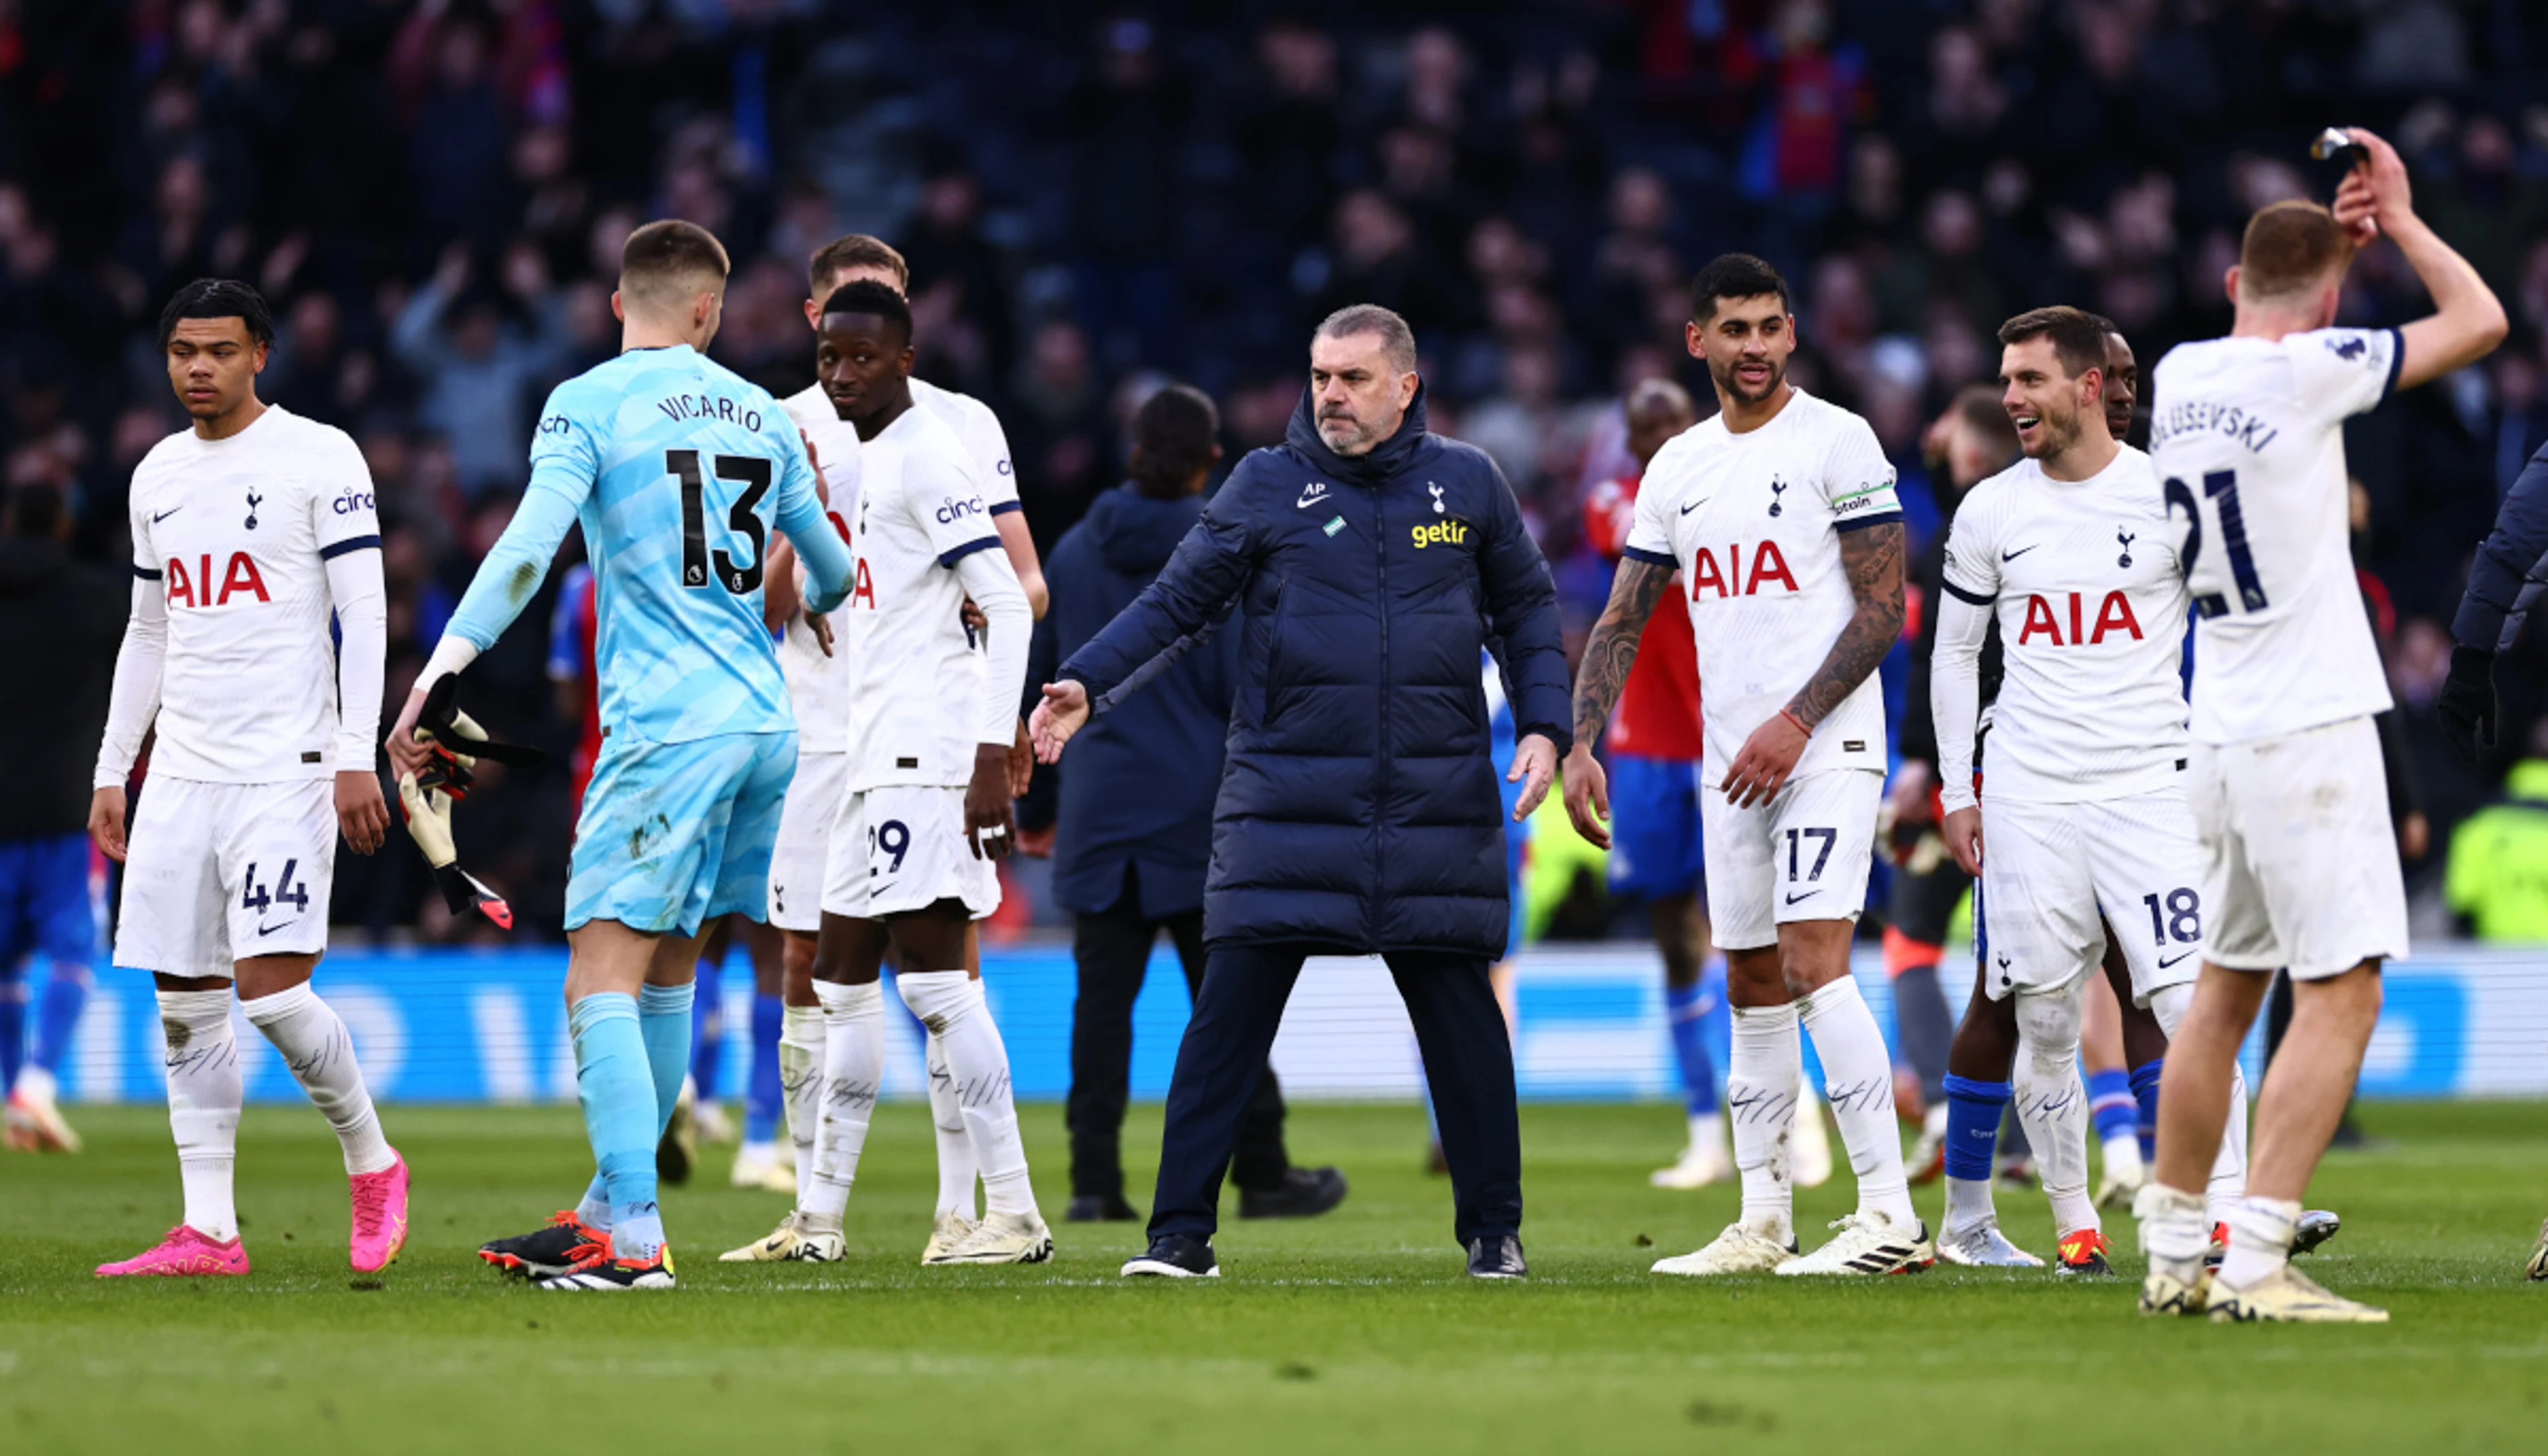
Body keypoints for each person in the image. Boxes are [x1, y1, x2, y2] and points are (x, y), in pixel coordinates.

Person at [1031, 303, 1570, 1281]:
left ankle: (1495, 1231)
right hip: (1281, 801)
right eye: (1321, 375)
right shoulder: (1265, 482)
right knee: (1224, 1025)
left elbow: (1528, 608)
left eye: (1353, 378)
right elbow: (1175, 602)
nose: (1330, 395)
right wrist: (1088, 682)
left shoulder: (1470, 481)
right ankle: (1178, 1236)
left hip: (1432, 803)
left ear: (1406, 387)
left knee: (1464, 1030)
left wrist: (1546, 724)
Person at [404, 220, 855, 1291]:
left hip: (665, 731)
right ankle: (612, 1203)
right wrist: (778, 597)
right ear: (709, 311)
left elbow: (525, 550)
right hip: (762, 729)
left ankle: (636, 1237)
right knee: (667, 967)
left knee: (596, 971)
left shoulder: (590, 403)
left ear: (619, 305)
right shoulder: (763, 410)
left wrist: (439, 675)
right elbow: (832, 574)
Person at [2141, 129, 2506, 1323]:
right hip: (2309, 722)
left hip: (2218, 724)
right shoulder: (2312, 369)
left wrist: (2323, 262)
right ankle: (2255, 1263)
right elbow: (2482, 322)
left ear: (2236, 284)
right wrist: (2396, 216)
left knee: (2223, 993)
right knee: (2341, 989)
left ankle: (2171, 1247)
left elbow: (2277, 323)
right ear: (2334, 301)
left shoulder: (2184, 375)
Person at [1565, 253, 1925, 1278]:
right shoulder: (1677, 465)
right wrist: (1587, 741)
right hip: (1729, 763)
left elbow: (1885, 605)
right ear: (1699, 341)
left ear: (1792, 331)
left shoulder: (1838, 438)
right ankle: (1764, 1217)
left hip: (1825, 747)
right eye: (1736, 328)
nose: (1757, 345)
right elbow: (1623, 613)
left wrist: (1798, 721)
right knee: (1752, 979)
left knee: (1815, 960)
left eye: (1771, 325)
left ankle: (1890, 1217)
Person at [88, 279, 409, 1277]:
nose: (198, 367)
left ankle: (372, 1159)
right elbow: (150, 628)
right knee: (185, 1000)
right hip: (182, 766)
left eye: (219, 350)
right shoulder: (156, 474)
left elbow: (367, 610)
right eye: (183, 349)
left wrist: (358, 751)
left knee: (271, 992)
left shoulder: (320, 455)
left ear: (260, 352)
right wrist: (114, 765)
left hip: (288, 764)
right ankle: (210, 1228)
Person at [739, 233, 1046, 1258]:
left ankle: (1010, 1210)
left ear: (905, 358)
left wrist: (991, 753)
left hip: (925, 755)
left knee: (937, 985)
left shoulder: (930, 456)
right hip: (864, 753)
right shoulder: (855, 459)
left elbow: (1008, 599)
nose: (840, 375)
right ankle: (820, 1218)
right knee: (835, 978)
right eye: (830, 359)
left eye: (862, 358)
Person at [1926, 305, 2235, 1275]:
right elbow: (1953, 656)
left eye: (2029, 380)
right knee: (2047, 1014)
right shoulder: (1990, 508)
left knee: (2189, 998)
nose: (2010, 396)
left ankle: (2217, 1212)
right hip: (2028, 789)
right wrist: (1955, 789)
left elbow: (2234, 628)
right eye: (2006, 378)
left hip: (2151, 781)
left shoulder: (2171, 494)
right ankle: (2074, 1224)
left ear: (2089, 385)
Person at [1030, 383, 1346, 1224]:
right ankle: (1264, 1170)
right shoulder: (1228, 546)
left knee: (1100, 1012)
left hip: (1099, 807)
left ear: (1131, 448)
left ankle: (1095, 1180)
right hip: (1204, 811)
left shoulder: (1072, 552)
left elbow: (1043, 682)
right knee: (1231, 1005)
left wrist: (1038, 809)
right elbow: (1257, 677)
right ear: (1212, 459)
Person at [1581, 377, 1738, 1191]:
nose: (1656, 435)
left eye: (1669, 421)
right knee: (1675, 936)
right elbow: (1636, 541)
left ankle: (1780, 1113)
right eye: (1643, 426)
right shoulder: (1617, 499)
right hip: (1645, 747)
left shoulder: (1739, 484)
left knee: (1750, 928)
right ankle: (1705, 1128)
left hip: (1727, 737)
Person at [1888, 383, 2019, 1183]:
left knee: (1910, 941)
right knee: (2021, 964)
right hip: (2031, 763)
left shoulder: (1952, 543)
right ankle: (2031, 1142)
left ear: (1968, 450)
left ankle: (1943, 1105)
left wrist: (1919, 764)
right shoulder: (2037, 521)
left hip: (1959, 773)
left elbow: (1944, 660)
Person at [1, 480, 122, 1153]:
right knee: (73, 950)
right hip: (63, 806)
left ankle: (14, 1089)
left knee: (5, 964)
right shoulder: (97, 600)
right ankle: (38, 1086)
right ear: (64, 530)